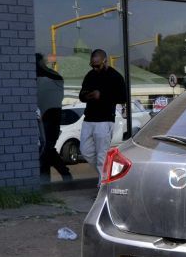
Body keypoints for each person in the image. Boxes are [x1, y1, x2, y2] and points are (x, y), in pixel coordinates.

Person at [79, 49, 127, 183]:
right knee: (85, 151)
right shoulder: (90, 75)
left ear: (105, 61)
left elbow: (123, 97)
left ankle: (103, 185)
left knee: (102, 155)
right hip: (89, 119)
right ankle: (107, 172)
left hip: (105, 119)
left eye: (97, 65)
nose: (94, 67)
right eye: (92, 65)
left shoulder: (115, 77)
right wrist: (89, 95)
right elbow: (82, 95)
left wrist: (102, 95)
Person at [36, 53, 72, 182]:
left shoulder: (52, 78)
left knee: (46, 150)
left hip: (50, 120)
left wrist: (39, 65)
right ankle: (47, 181)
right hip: (47, 119)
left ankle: (61, 176)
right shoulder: (47, 78)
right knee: (46, 152)